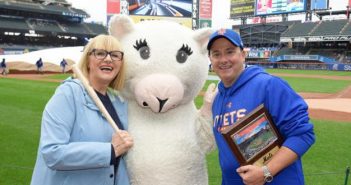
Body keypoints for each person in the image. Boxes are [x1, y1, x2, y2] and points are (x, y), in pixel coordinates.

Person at [207, 28, 315, 185]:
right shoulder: (218, 100)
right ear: (210, 59)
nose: (223, 59)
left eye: (230, 52)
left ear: (243, 54)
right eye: (216, 54)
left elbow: (303, 134)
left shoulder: (269, 85)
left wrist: (266, 171)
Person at [31, 35, 133, 185]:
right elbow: (52, 152)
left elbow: (119, 163)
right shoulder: (68, 95)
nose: (108, 59)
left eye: (115, 55)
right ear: (88, 60)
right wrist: (110, 151)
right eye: (100, 53)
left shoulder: (118, 101)